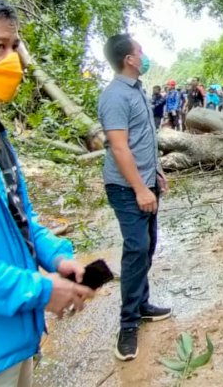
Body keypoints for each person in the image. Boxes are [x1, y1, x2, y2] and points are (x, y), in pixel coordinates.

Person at [0, 0, 93, 386]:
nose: (13, 60)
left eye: (15, 46)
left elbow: (20, 218)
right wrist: (38, 290)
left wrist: (55, 258)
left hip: (16, 339)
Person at [98, 34, 171, 362]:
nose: (144, 56)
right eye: (140, 52)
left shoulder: (138, 90)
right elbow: (119, 146)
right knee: (136, 248)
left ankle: (142, 304)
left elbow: (144, 138)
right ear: (129, 59)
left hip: (146, 182)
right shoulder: (114, 96)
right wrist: (140, 189)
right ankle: (127, 325)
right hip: (127, 189)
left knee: (149, 245)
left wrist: (155, 174)